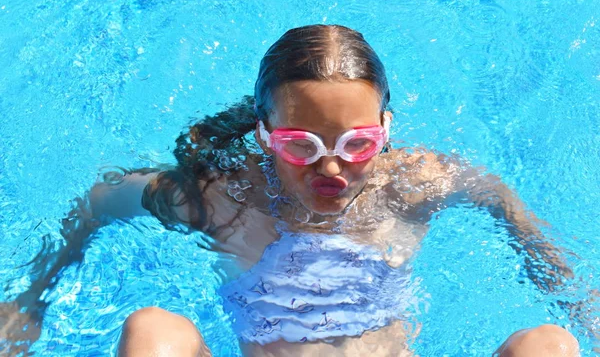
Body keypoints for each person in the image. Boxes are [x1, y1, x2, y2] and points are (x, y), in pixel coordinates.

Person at [0, 25, 580, 356]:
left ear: (385, 130)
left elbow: (501, 198)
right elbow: (102, 198)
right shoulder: (217, 197)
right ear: (265, 134)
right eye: (302, 146)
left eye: (356, 144)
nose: (331, 170)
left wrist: (574, 295)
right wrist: (30, 301)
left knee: (550, 344)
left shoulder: (411, 185)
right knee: (152, 329)